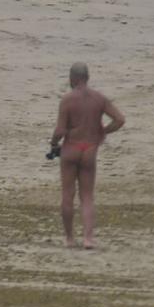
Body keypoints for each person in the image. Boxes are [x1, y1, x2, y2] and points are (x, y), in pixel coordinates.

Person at [49, 62, 125, 251]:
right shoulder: (99, 98)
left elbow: (60, 130)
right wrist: (103, 132)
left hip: (71, 148)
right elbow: (120, 120)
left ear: (72, 78)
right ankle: (88, 239)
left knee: (68, 195)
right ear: (88, 77)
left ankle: (69, 238)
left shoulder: (67, 100)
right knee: (87, 197)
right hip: (89, 149)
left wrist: (53, 144)